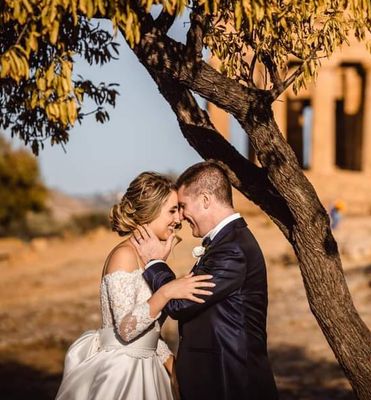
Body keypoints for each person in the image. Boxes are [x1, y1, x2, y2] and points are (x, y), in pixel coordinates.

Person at [55, 172, 215, 400]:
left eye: (179, 210)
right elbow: (126, 329)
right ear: (149, 211)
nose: (178, 219)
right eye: (172, 210)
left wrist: (169, 362)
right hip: (122, 373)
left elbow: (150, 329)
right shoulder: (124, 255)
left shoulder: (148, 260)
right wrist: (168, 290)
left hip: (149, 369)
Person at [131, 161, 279, 400]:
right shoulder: (227, 243)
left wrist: (154, 263)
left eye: (183, 206)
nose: (180, 216)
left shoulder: (232, 249)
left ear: (206, 200)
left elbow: (180, 303)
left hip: (231, 382)